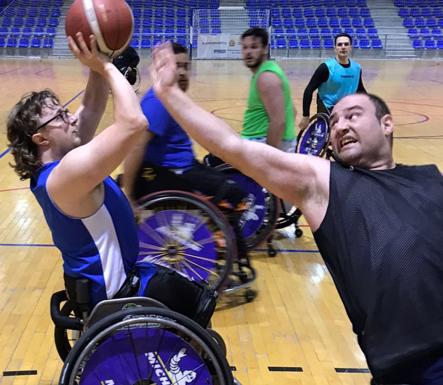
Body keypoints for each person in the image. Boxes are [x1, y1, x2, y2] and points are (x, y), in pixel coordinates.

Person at [149, 42, 443, 384]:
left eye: (353, 115)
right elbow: (234, 147)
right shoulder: (325, 183)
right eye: (334, 122)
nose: (340, 126)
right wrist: (168, 92)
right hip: (408, 366)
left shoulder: (429, 178)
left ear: (387, 124)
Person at [6, 34, 216, 328]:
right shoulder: (66, 175)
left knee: (185, 289)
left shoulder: (60, 167)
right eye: (60, 117)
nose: (72, 118)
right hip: (119, 292)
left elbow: (91, 107)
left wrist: (97, 58)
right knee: (201, 302)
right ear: (40, 138)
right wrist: (107, 67)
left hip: (119, 281)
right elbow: (133, 124)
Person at [123, 42, 250, 262]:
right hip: (171, 174)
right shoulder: (158, 102)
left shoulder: (172, 97)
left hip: (183, 166)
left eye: (185, 66)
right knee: (233, 192)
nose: (181, 72)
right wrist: (129, 194)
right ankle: (218, 247)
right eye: (176, 66)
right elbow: (136, 145)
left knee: (226, 179)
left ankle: (221, 242)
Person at [240, 27, 296, 151]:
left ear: (265, 49)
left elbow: (279, 122)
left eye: (254, 47)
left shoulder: (266, 77)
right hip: (263, 141)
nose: (248, 52)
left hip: (261, 142)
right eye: (245, 47)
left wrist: (269, 155)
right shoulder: (267, 71)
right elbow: (293, 111)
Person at [299, 32, 367, 131]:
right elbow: (309, 90)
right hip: (328, 107)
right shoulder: (326, 68)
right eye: (340, 45)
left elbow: (360, 89)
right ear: (335, 48)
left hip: (346, 108)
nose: (343, 47)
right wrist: (305, 116)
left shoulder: (357, 68)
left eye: (346, 44)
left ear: (350, 47)